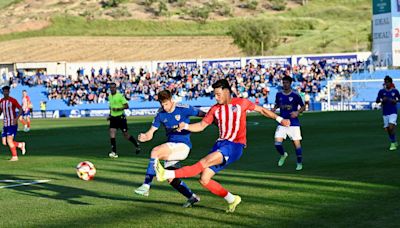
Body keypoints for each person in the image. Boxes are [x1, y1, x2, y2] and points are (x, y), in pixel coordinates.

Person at [154, 79, 290, 213]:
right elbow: (201, 126)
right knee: (204, 179)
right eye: (215, 94)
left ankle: (167, 173)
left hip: (235, 145)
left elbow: (261, 110)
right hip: (220, 144)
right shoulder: (214, 109)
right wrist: (187, 126)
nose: (216, 97)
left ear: (226, 92)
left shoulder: (241, 103)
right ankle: (232, 199)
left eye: (218, 94)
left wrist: (280, 119)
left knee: (204, 161)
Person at [134, 90, 205, 207]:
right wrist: (145, 137)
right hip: (172, 146)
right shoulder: (160, 113)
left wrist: (218, 123)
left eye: (166, 104)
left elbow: (204, 115)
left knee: (155, 151)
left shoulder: (184, 108)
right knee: (171, 179)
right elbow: (151, 132)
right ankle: (192, 197)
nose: (164, 107)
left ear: (172, 100)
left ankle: (146, 185)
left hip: (183, 146)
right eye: (162, 104)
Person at [272, 76, 306, 171]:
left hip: (293, 123)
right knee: (277, 144)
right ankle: (283, 155)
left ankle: (299, 163)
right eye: (284, 83)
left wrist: (297, 112)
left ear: (290, 83)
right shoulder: (279, 94)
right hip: (282, 122)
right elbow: (278, 103)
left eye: (287, 83)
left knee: (297, 145)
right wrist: (274, 109)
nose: (285, 84)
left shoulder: (295, 95)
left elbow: (303, 107)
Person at [108, 82, 140, 158]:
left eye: (113, 87)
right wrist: (110, 115)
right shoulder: (109, 96)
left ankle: (136, 144)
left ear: (116, 88)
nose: (112, 89)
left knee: (126, 135)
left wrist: (119, 108)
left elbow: (126, 106)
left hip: (121, 118)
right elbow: (111, 107)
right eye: (111, 87)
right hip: (113, 118)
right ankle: (114, 152)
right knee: (112, 134)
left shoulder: (120, 96)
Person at [0, 86, 26, 161]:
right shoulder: (1, 101)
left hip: (12, 124)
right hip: (5, 124)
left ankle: (15, 157)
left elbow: (20, 109)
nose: (5, 93)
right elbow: (0, 111)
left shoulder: (13, 100)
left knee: (9, 140)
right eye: (4, 91)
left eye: (7, 91)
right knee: (4, 142)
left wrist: (16, 118)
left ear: (9, 92)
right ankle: (20, 145)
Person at [376, 76, 400, 150]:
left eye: (388, 82)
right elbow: (377, 101)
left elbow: (399, 99)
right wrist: (382, 100)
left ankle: (392, 143)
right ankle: (394, 140)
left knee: (391, 127)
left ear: (391, 83)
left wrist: (395, 101)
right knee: (388, 129)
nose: (386, 84)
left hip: (393, 112)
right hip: (385, 112)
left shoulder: (395, 91)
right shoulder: (381, 91)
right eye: (385, 83)